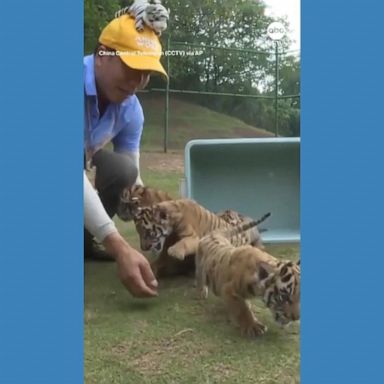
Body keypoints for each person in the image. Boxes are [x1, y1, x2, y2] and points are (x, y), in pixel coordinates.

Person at [84, 13, 168, 298]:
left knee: (122, 170)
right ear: (101, 55)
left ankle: (83, 243)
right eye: (131, 66)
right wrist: (118, 245)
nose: (137, 81)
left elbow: (131, 179)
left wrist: (156, 215)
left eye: (146, 72)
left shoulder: (131, 110)